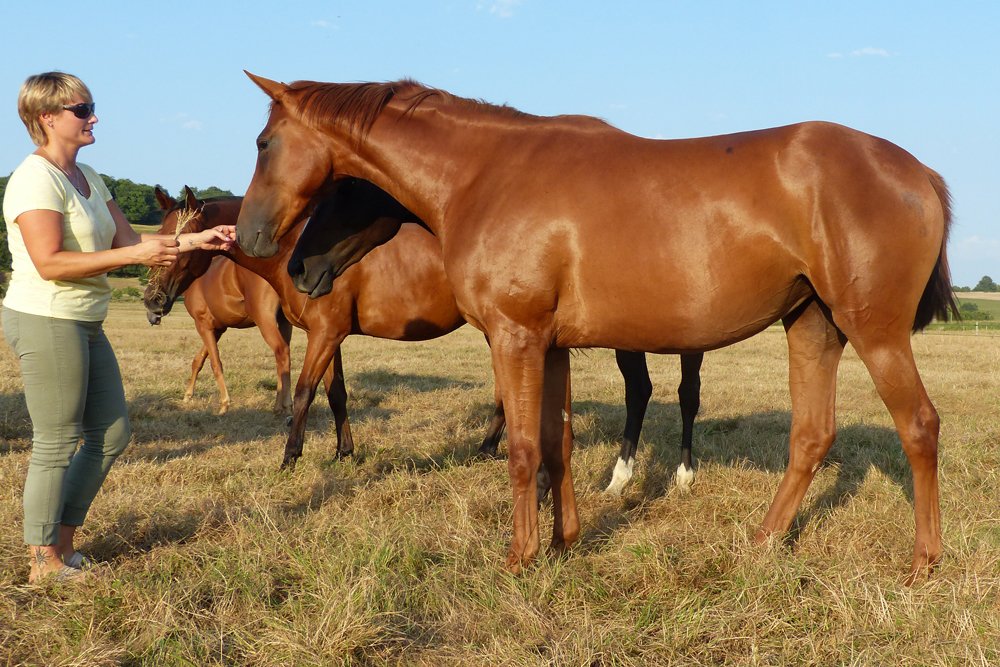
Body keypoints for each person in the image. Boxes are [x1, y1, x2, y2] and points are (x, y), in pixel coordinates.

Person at [1, 72, 236, 584]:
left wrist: (197, 241)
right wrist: (133, 256)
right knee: (56, 441)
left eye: (91, 107)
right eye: (82, 110)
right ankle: (43, 561)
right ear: (47, 117)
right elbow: (50, 262)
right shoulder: (34, 179)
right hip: (47, 318)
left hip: (86, 318)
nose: (94, 117)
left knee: (111, 434)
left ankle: (63, 544)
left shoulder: (89, 177)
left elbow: (133, 241)